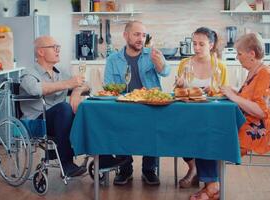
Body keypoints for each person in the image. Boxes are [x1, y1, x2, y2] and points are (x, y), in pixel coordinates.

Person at [190, 33, 270, 200]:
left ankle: (213, 187)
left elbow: (261, 112)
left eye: (239, 54)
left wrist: (234, 97)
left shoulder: (265, 74)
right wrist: (232, 90)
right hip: (245, 122)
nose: (237, 58)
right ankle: (211, 184)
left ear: (251, 54)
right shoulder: (254, 72)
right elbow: (249, 98)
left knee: (206, 135)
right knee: (203, 129)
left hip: (257, 131)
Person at [104, 20, 171, 185]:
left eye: (143, 35)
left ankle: (149, 169)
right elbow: (108, 86)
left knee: (154, 125)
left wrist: (159, 64)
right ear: (126, 36)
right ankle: (125, 169)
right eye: (136, 34)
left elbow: (166, 72)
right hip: (125, 106)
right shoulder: (113, 59)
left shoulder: (152, 54)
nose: (141, 38)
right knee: (117, 124)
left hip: (150, 105)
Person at [20, 35, 89, 177]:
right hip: (37, 122)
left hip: (61, 119)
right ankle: (66, 164)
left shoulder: (61, 72)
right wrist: (69, 84)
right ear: (41, 52)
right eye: (54, 47)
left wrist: (76, 91)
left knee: (89, 110)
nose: (58, 51)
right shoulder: (28, 73)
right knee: (64, 107)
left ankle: (104, 159)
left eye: (58, 47)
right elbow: (35, 89)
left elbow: (87, 85)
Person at [175, 27, 228, 189]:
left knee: (208, 134)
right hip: (188, 115)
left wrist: (214, 91)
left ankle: (210, 181)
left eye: (201, 44)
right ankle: (194, 168)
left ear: (211, 45)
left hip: (211, 117)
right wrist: (180, 85)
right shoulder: (185, 64)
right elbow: (177, 94)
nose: (196, 48)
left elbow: (224, 95)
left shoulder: (219, 66)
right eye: (194, 44)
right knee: (178, 131)